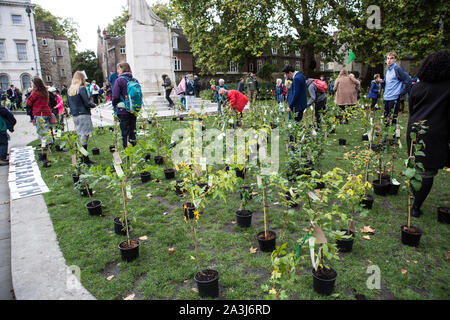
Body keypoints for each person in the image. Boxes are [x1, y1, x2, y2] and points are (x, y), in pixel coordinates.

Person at [406, 50, 450, 218]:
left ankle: (414, 201)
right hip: (436, 133)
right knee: (427, 171)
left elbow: (412, 109)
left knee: (415, 165)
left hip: (414, 129)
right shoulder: (447, 89)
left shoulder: (417, 87)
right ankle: (416, 205)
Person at [67, 71, 97, 164]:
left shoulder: (70, 90)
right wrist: (94, 105)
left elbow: (69, 104)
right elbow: (87, 103)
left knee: (81, 135)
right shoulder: (81, 89)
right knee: (84, 136)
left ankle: (83, 157)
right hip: (83, 114)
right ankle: (85, 158)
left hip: (75, 115)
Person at [112, 62, 138, 149]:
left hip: (123, 110)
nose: (117, 71)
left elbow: (115, 96)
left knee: (125, 132)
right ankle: (134, 150)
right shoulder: (134, 80)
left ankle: (127, 152)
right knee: (132, 131)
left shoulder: (119, 80)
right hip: (134, 109)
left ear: (122, 69)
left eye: (118, 69)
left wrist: (114, 105)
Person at [383, 51, 411, 126]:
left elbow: (408, 81)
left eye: (391, 58)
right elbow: (387, 83)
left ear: (395, 59)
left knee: (393, 119)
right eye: (387, 58)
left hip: (394, 98)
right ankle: (385, 136)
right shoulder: (388, 70)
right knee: (385, 118)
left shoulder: (397, 69)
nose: (389, 60)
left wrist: (401, 93)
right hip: (386, 97)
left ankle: (393, 136)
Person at [282, 65, 307, 142]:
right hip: (300, 105)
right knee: (297, 123)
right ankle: (296, 141)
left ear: (290, 73)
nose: (285, 76)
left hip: (296, 106)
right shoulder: (301, 76)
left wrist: (290, 105)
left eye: (286, 74)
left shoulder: (296, 79)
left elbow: (296, 93)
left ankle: (293, 142)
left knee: (293, 123)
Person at [26, 76, 54, 146]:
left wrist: (31, 92)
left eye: (32, 83)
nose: (31, 84)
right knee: (47, 128)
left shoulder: (35, 93)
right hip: (47, 112)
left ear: (35, 84)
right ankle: (50, 141)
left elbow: (28, 102)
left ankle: (44, 144)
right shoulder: (45, 91)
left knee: (41, 130)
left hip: (39, 113)